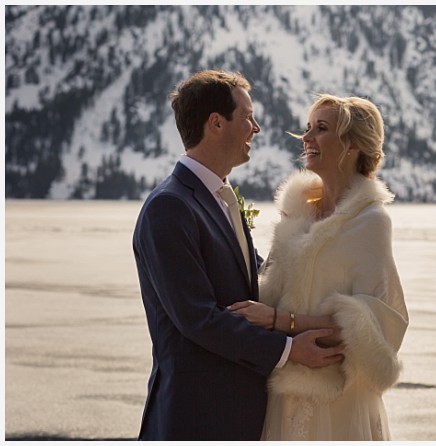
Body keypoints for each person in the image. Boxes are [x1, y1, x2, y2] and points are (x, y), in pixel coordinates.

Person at [133, 70, 345, 440]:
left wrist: (312, 246)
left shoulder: (218, 198)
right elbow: (197, 319)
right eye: (247, 116)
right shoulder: (169, 207)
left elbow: (255, 281)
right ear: (216, 123)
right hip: (194, 417)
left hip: (236, 415)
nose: (256, 127)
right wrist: (290, 349)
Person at [228, 94, 409, 440]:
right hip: (283, 392)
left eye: (321, 129)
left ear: (353, 145)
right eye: (308, 127)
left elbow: (366, 331)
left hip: (337, 399)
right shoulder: (295, 215)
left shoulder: (371, 222)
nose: (306, 138)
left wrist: (280, 321)